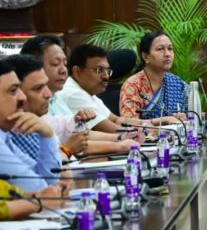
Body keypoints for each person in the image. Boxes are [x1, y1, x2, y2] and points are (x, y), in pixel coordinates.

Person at [5, 53, 141, 160]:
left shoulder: (46, 109)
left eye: (65, 63)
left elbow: (70, 132)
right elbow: (43, 175)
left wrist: (121, 140)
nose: (63, 70)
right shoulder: (14, 129)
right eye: (55, 64)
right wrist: (66, 150)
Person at [0, 59, 61, 192]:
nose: (22, 97)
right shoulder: (14, 130)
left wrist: (48, 135)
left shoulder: (4, 136)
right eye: (13, 90)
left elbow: (50, 182)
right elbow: (40, 190)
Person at [57, 44, 144, 132]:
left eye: (108, 71)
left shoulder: (87, 91)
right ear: (77, 72)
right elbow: (114, 130)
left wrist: (148, 123)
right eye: (99, 70)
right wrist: (145, 130)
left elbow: (116, 120)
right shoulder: (74, 94)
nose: (106, 76)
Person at [120, 30, 188, 124]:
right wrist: (164, 121)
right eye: (160, 49)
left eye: (170, 48)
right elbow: (128, 123)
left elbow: (194, 118)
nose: (167, 54)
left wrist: (184, 117)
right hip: (145, 134)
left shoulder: (178, 84)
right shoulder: (133, 85)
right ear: (146, 57)